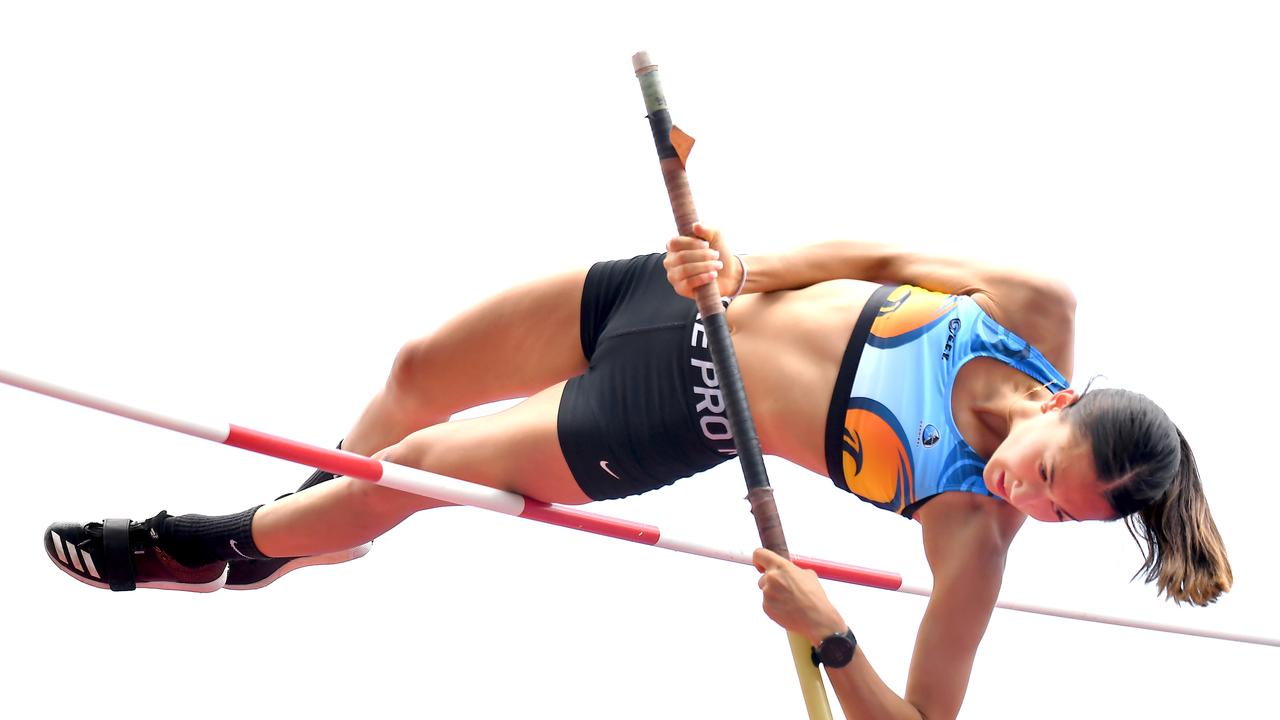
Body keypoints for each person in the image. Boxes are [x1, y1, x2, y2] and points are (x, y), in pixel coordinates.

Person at [44, 224, 1233, 720]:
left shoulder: (969, 536)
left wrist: (830, 635)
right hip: (666, 304)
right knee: (412, 374)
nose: (1020, 496)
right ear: (1062, 402)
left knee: (413, 468)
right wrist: (736, 262)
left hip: (667, 409)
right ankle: (321, 530)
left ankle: (221, 544)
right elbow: (878, 253)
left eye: (1051, 514)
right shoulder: (1032, 310)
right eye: (1043, 470)